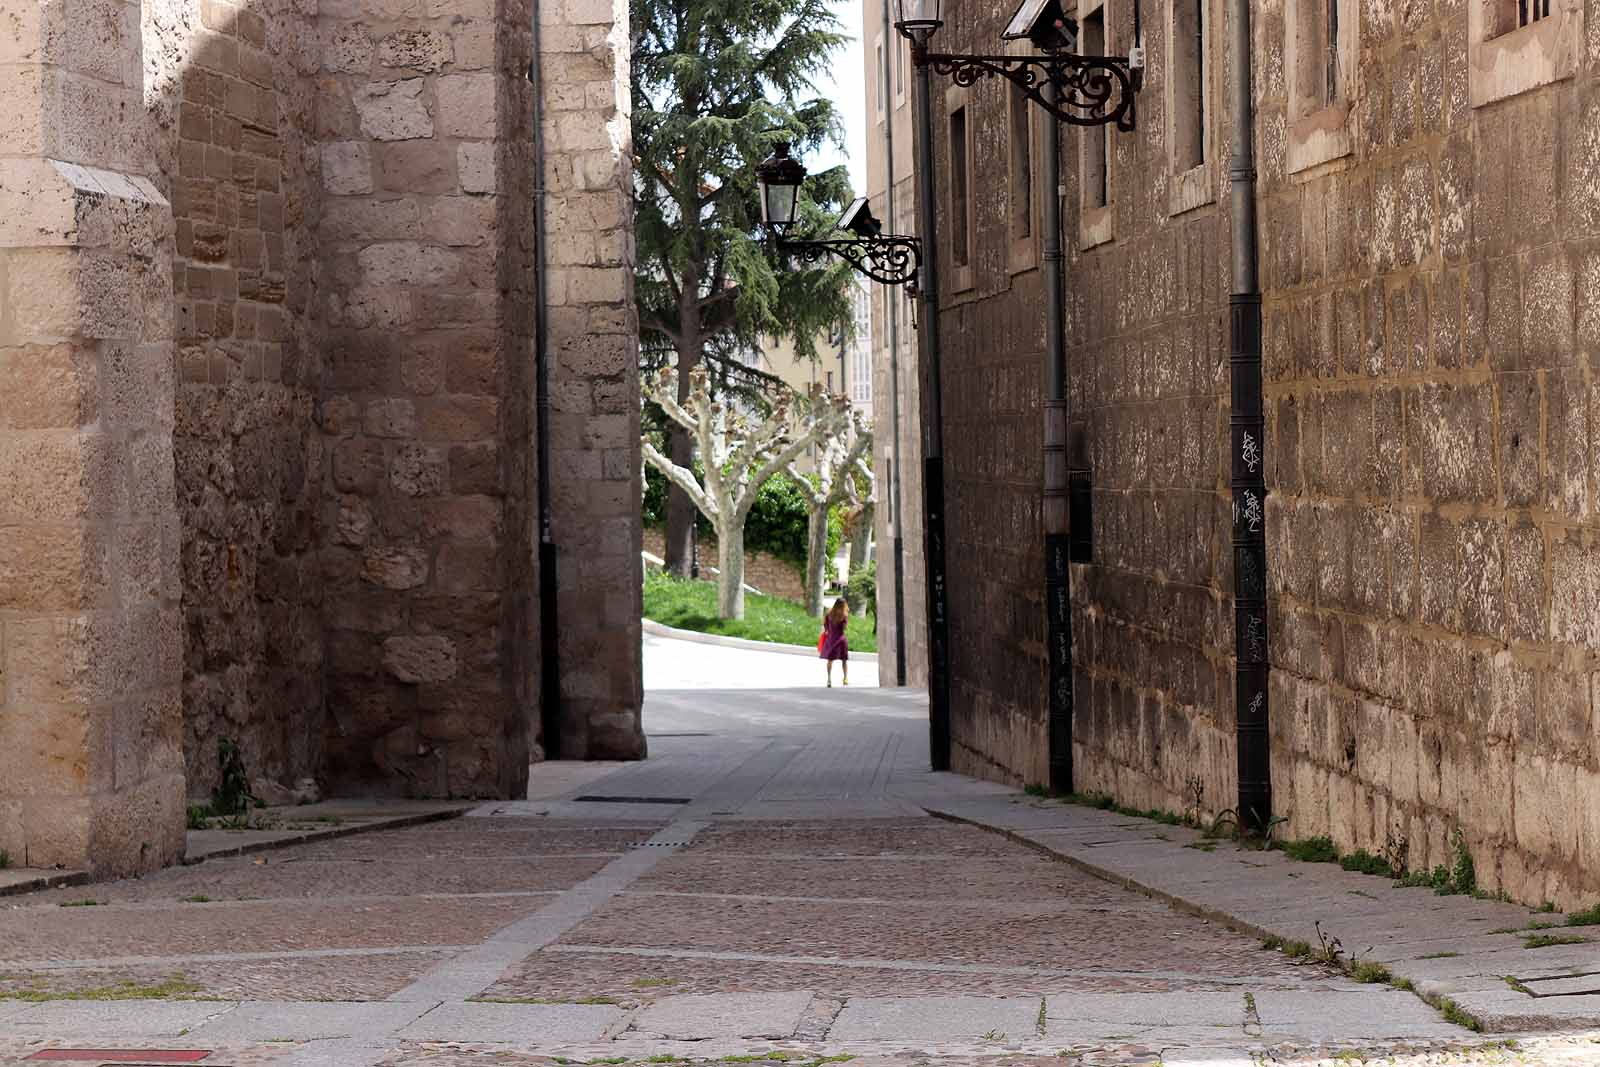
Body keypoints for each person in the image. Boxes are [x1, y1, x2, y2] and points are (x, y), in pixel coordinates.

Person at [820, 597, 850, 687]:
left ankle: (829, 680)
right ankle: (845, 678)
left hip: (831, 640)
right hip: (841, 640)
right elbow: (844, 628)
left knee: (830, 661)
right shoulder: (844, 616)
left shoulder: (829, 614)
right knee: (844, 661)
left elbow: (825, 627)